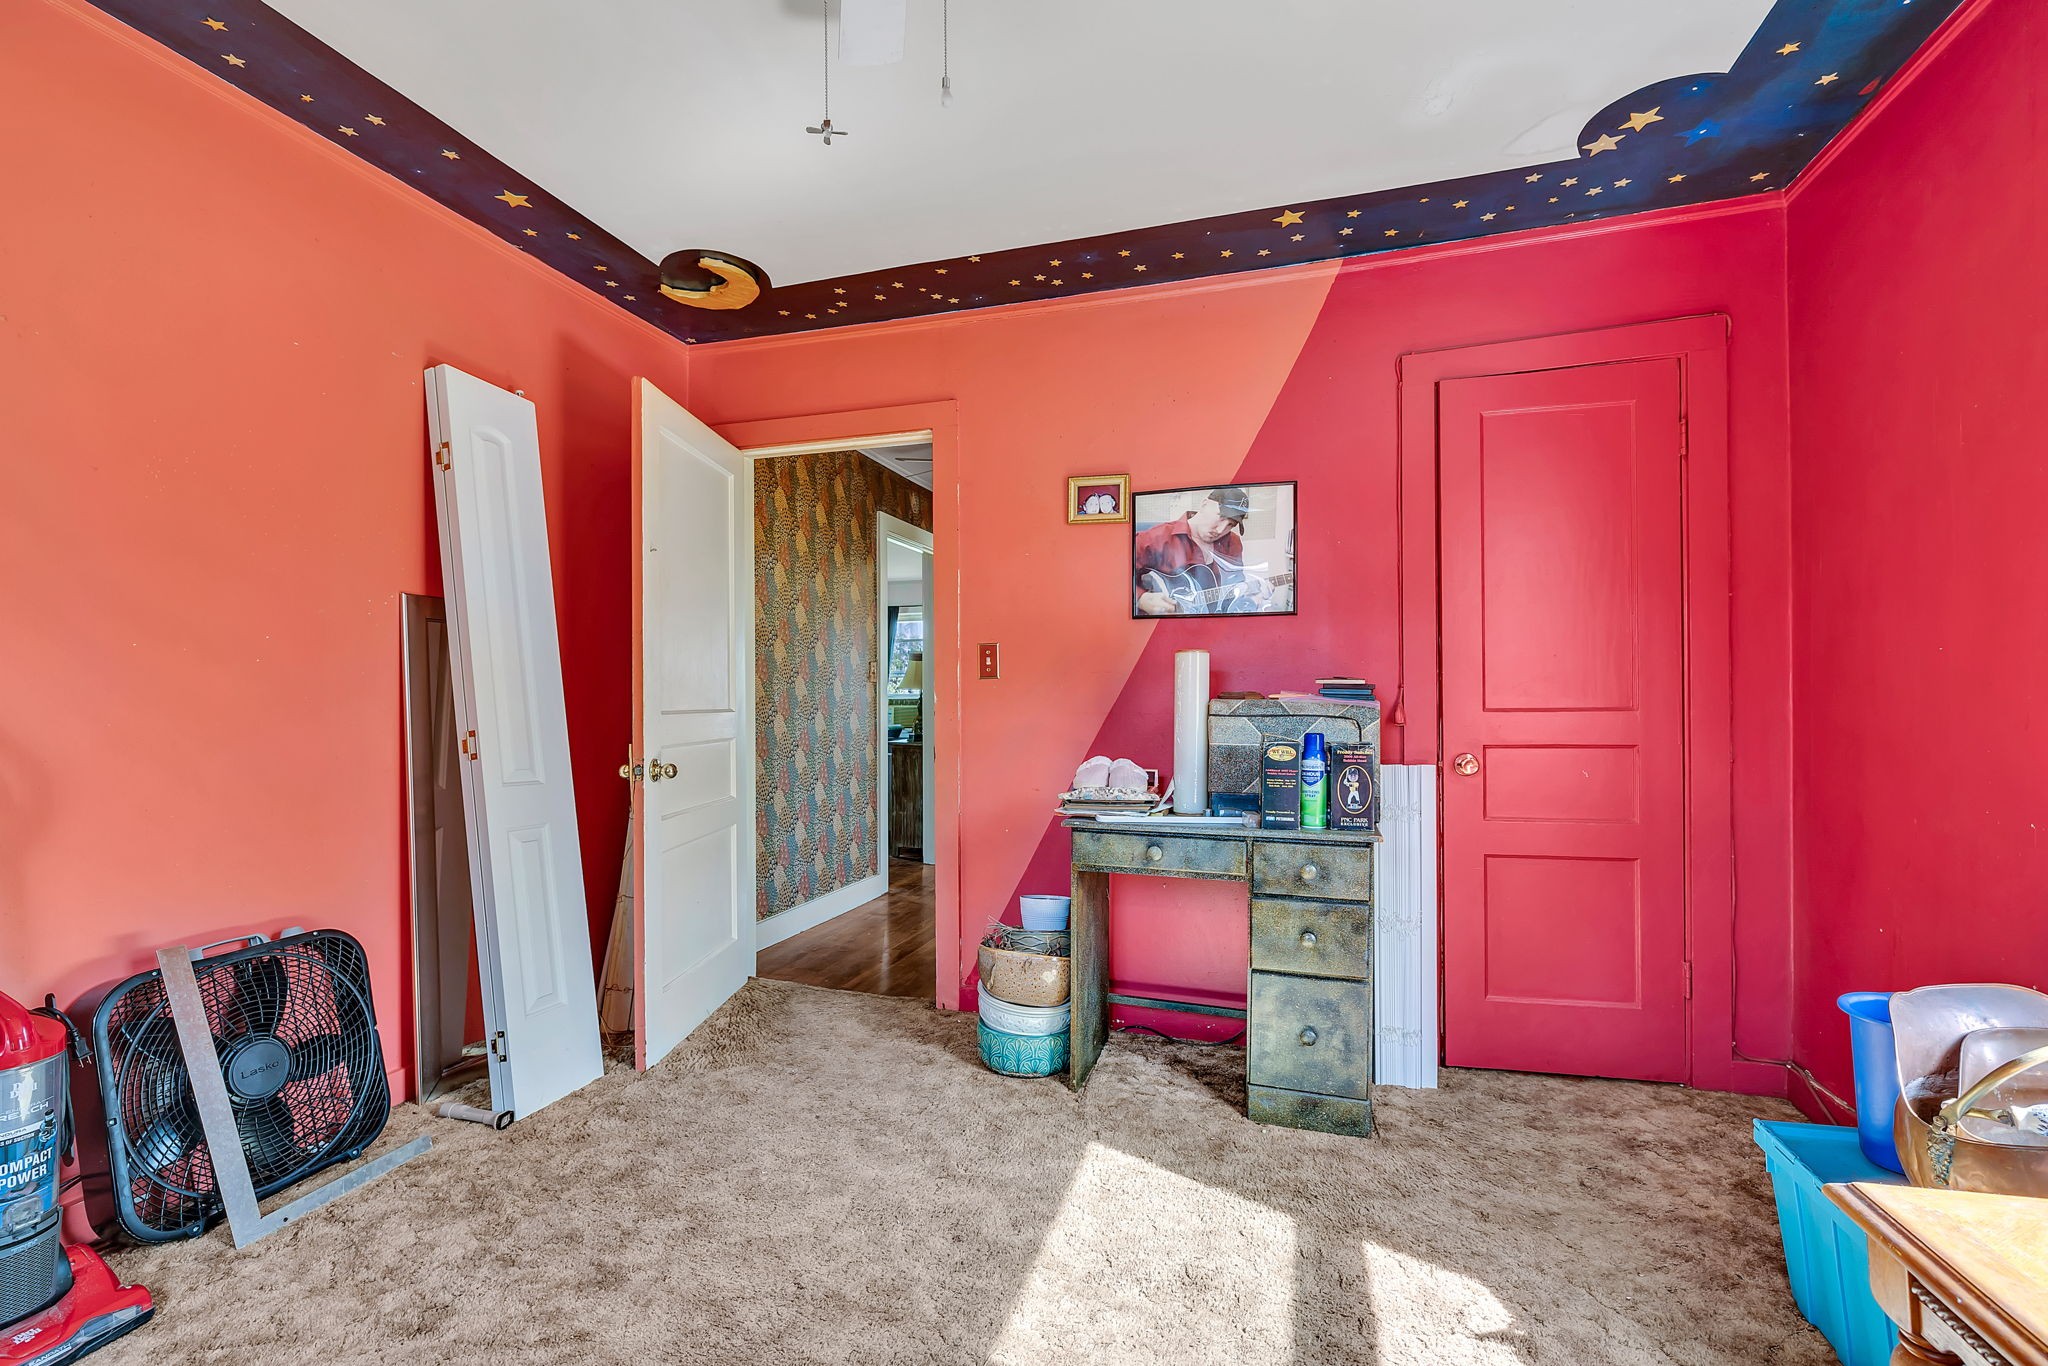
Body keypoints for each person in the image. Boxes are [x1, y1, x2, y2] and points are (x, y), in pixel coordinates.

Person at [1133, 486, 1269, 615]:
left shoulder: (1233, 542)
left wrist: (1252, 597)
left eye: (1230, 525)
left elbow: (1234, 588)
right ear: (1204, 504)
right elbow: (1117, 574)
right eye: (1221, 517)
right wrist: (1140, 598)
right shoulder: (1157, 538)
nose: (1221, 530)